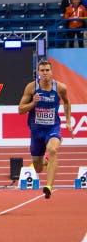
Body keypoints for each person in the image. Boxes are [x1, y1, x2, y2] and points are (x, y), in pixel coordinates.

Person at [17, 59, 72, 199]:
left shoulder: (60, 88)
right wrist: (33, 103)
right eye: (42, 70)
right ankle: (45, 161)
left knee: (53, 149)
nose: (45, 73)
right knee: (38, 168)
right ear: (38, 72)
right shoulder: (31, 88)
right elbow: (20, 110)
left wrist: (68, 121)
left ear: (52, 72)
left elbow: (66, 102)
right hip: (36, 132)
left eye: (47, 70)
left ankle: (49, 186)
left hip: (52, 127)